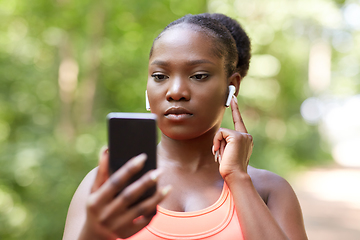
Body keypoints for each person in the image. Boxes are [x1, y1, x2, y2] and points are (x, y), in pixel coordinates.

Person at [62, 13, 308, 240]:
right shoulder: (106, 184)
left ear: (232, 86)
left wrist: (238, 179)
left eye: (199, 75)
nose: (176, 91)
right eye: (160, 76)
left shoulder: (269, 190)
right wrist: (93, 231)